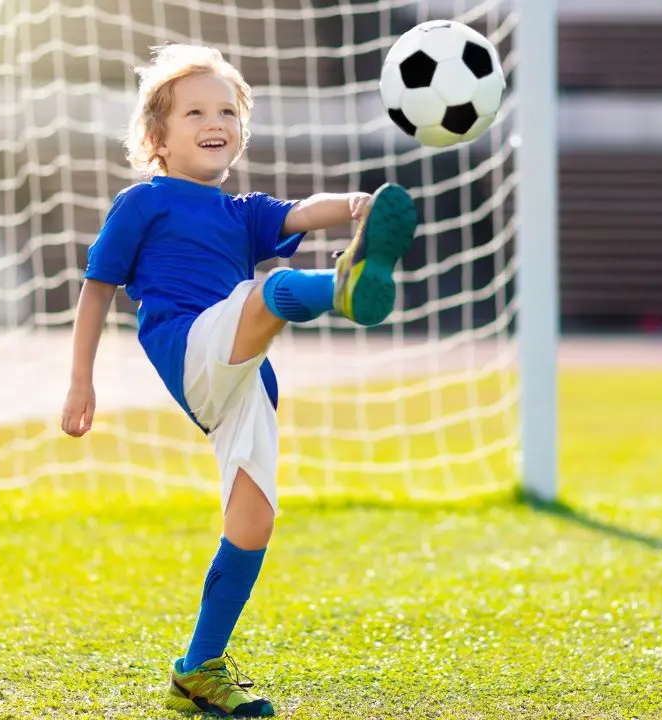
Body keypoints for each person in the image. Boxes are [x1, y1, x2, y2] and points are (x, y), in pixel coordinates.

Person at [60, 43, 417, 717]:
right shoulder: (145, 203)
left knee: (253, 524)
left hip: (242, 379)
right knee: (271, 291)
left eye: (225, 109)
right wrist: (81, 380)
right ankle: (342, 288)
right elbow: (96, 289)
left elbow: (300, 212)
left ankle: (198, 670)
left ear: (240, 129)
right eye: (194, 111)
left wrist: (355, 204)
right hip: (189, 347)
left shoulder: (240, 212)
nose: (213, 119)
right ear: (157, 138)